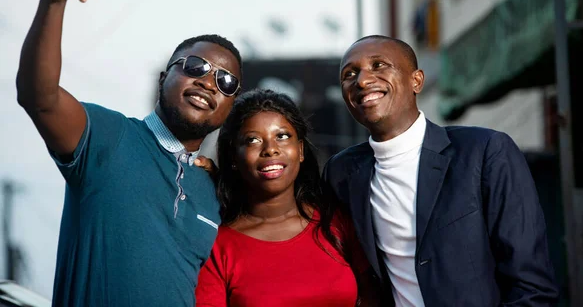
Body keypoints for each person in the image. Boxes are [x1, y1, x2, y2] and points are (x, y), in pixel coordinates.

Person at [16, 0, 242, 306]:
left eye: (225, 81)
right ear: (162, 78)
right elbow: (39, 98)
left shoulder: (215, 190)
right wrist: (53, 1)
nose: (207, 82)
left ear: (230, 106)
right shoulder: (110, 137)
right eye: (195, 67)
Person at [323, 35, 560, 306]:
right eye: (350, 74)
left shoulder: (484, 152)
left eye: (379, 65)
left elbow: (532, 287)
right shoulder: (341, 173)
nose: (362, 80)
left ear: (417, 81)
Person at [195, 89, 378, 306]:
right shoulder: (217, 247)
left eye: (282, 136)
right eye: (253, 140)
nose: (270, 149)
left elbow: (374, 296)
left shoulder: (336, 222)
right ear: (234, 156)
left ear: (300, 150)